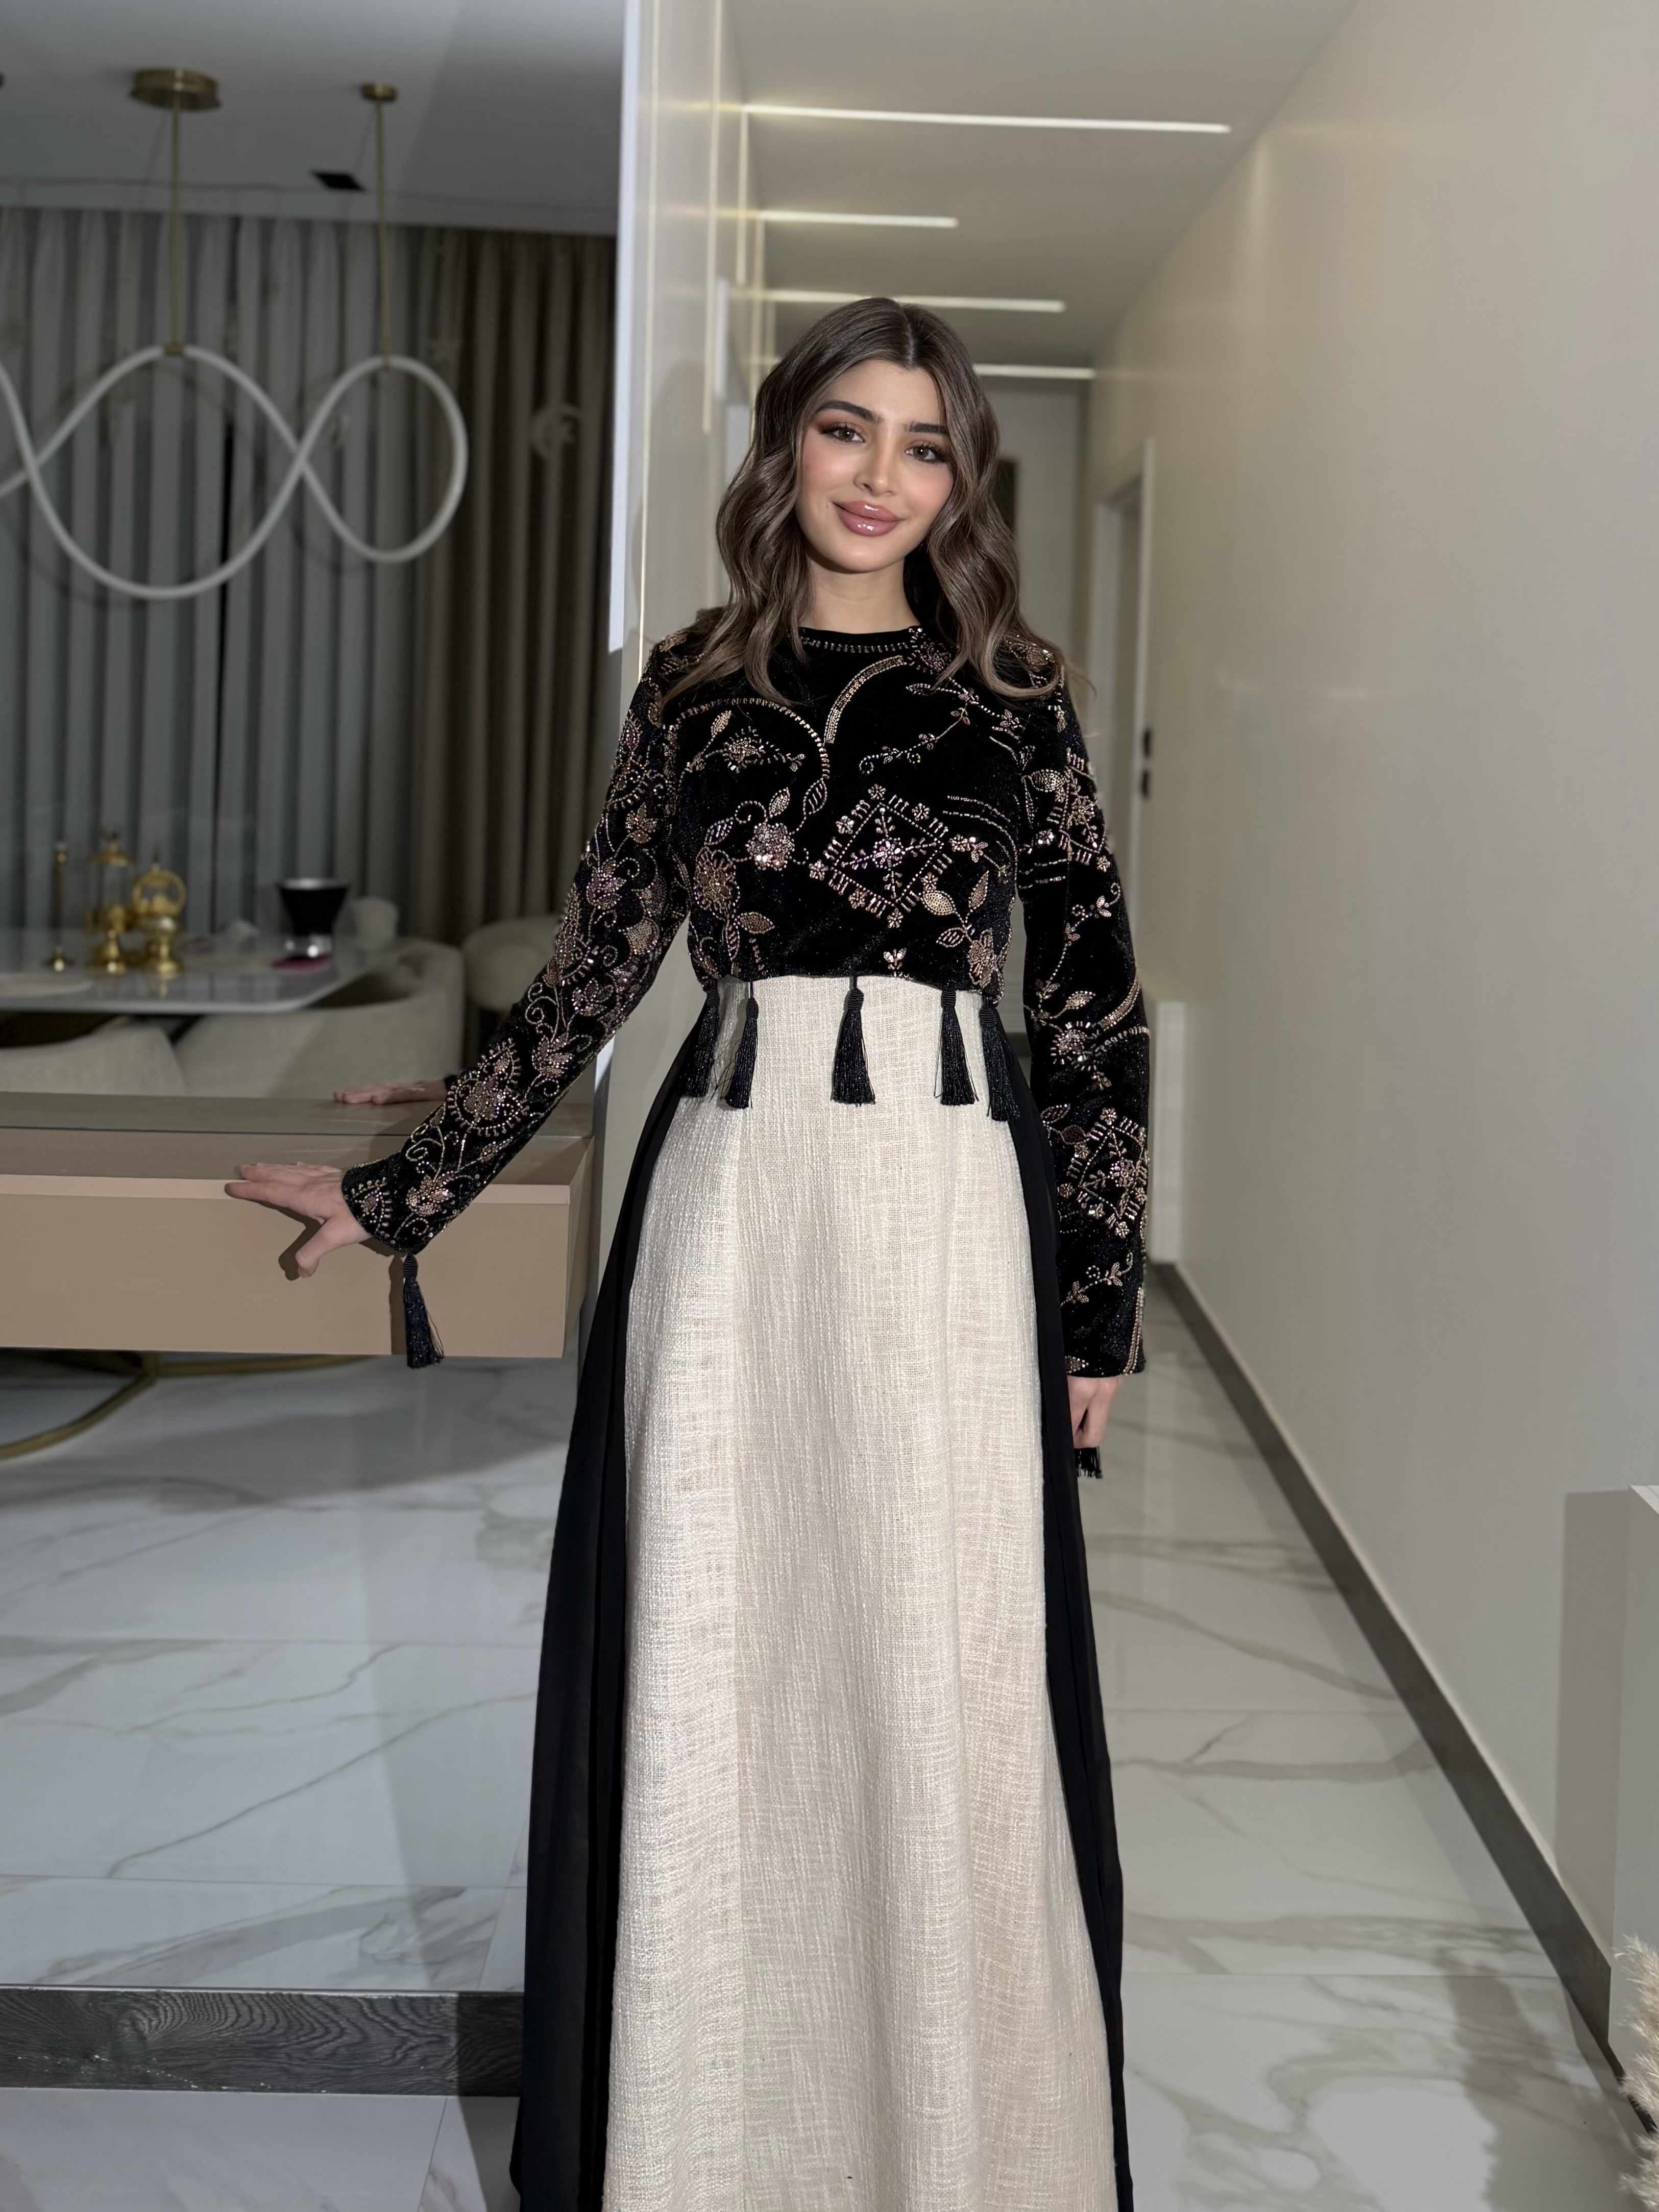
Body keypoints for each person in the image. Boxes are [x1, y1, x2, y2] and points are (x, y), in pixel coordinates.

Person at [228, 295, 1148, 2212]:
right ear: (784, 440)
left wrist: (1093, 1314)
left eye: (923, 446)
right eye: (846, 429)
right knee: (723, 1642)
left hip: (944, 1216)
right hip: (732, 1209)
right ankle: (708, 2125)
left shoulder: (1015, 692)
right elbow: (593, 971)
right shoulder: (689, 684)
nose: (879, 477)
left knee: (939, 1652)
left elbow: (1091, 1011)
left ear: (959, 481)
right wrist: (404, 1189)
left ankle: (950, 2130)